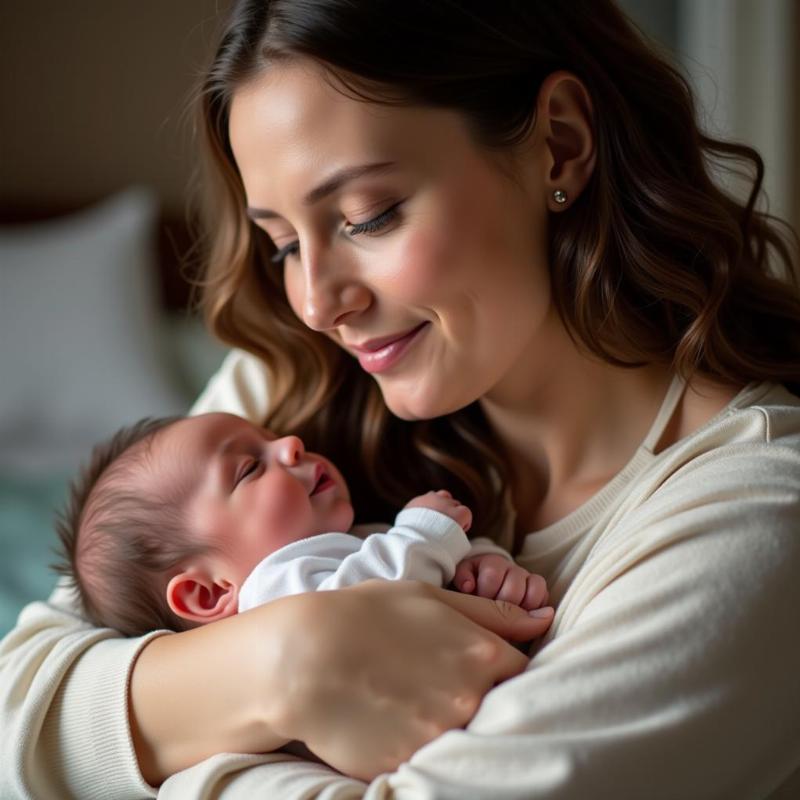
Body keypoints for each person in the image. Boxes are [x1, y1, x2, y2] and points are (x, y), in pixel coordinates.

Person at [2, 0, 800, 797]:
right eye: (282, 244)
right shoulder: (298, 386)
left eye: (367, 217)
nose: (316, 305)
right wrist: (287, 664)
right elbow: (15, 714)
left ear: (559, 145)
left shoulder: (752, 517)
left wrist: (171, 749)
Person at [54, 412, 551, 637]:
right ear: (208, 593)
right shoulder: (273, 595)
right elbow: (356, 611)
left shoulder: (352, 545)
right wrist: (424, 533)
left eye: (268, 438)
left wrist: (483, 565)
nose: (291, 443)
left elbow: (419, 574)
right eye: (249, 467)